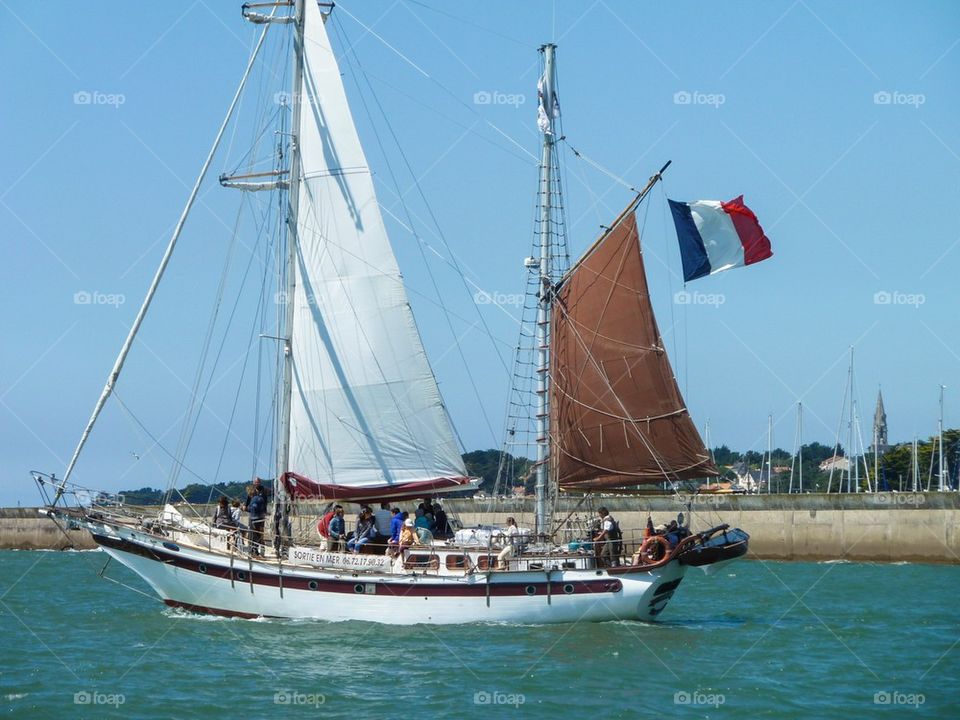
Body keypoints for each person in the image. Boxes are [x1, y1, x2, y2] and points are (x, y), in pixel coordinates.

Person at [244, 480, 269, 557]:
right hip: (256, 517)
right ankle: (256, 550)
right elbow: (248, 505)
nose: (256, 484)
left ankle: (256, 550)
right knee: (256, 535)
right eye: (255, 482)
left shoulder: (262, 494)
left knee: (256, 535)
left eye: (258, 482)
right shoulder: (253, 495)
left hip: (257, 518)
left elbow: (251, 507)